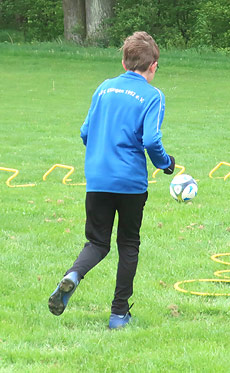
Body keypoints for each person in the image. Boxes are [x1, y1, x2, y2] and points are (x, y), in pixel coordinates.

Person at [48, 31, 175, 329]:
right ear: (153, 66)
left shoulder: (104, 88)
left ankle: (74, 274)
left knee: (97, 241)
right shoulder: (152, 96)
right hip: (130, 183)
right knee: (128, 244)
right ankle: (119, 314)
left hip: (97, 179)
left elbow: (84, 133)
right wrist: (165, 163)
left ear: (123, 62)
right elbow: (152, 140)